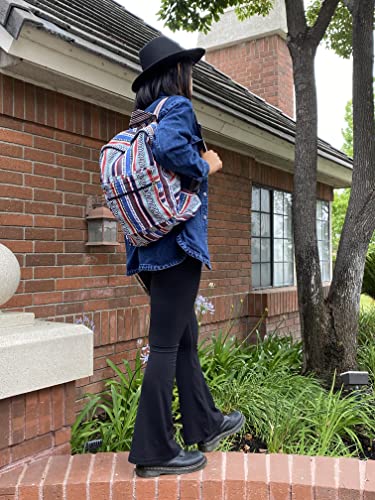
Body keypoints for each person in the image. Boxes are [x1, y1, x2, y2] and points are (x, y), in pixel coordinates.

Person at [126, 35, 245, 478]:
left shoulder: (140, 119)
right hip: (176, 247)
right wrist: (207, 165)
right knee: (163, 346)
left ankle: (204, 423)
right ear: (176, 73)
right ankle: (154, 451)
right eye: (187, 69)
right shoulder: (176, 109)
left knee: (183, 338)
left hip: (148, 249)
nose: (191, 76)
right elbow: (174, 151)